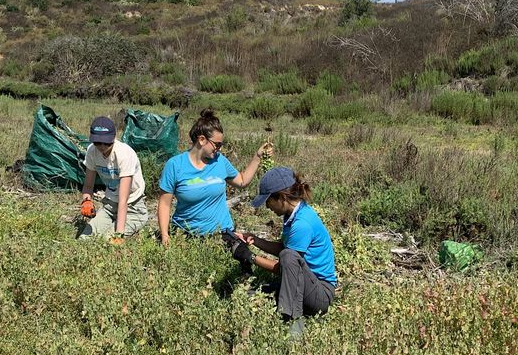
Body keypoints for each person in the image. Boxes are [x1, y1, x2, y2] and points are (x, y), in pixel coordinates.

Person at [157, 108, 272, 267]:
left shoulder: (220, 161)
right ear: (202, 140)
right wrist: (165, 235)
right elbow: (164, 204)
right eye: (217, 144)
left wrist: (257, 157)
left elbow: (242, 181)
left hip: (221, 234)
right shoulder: (175, 165)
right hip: (187, 235)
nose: (219, 148)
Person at [233, 166, 338, 334]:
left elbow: (287, 266)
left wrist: (250, 257)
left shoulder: (302, 223)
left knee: (287, 257)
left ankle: (294, 325)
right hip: (304, 285)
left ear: (282, 197)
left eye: (268, 200)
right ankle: (286, 311)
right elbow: (285, 248)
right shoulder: (292, 215)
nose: (267, 206)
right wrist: (254, 240)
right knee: (250, 294)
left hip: (320, 295)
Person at [78, 116, 147, 242]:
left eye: (106, 142)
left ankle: (134, 227)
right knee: (84, 239)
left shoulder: (124, 154)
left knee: (108, 240)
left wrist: (118, 235)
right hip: (110, 206)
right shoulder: (92, 151)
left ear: (114, 137)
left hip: (132, 207)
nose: (102, 146)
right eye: (98, 142)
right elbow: (88, 186)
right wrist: (86, 201)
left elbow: (123, 199)